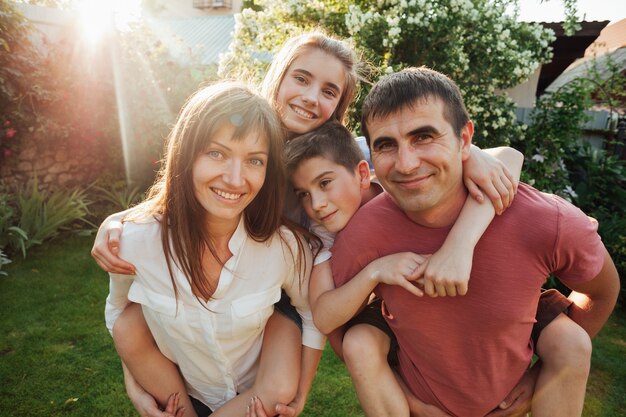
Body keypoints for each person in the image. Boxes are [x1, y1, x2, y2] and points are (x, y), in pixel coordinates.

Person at [94, 33, 519, 417]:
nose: (311, 96)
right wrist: (115, 222)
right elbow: (177, 192)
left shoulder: (338, 152)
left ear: (340, 105)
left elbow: (509, 158)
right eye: (301, 78)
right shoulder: (240, 133)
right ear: (278, 78)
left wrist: (473, 161)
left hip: (295, 286)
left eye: (329, 90)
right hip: (263, 283)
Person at [328, 67, 620, 417]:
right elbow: (333, 320)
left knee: (570, 340)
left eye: (423, 136)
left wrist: (546, 373)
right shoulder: (364, 231)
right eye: (386, 145)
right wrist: (402, 394)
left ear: (465, 139)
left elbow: (602, 291)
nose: (406, 164)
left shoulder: (546, 220)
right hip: (417, 404)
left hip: (510, 396)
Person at [104, 82, 324, 417]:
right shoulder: (133, 243)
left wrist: (300, 394)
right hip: (182, 397)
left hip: (257, 402)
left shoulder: (283, 248)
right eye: (216, 153)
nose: (236, 180)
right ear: (186, 155)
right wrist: (136, 383)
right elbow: (119, 314)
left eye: (254, 160)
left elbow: (310, 313)